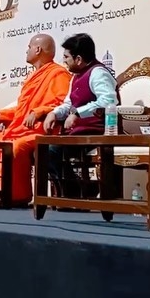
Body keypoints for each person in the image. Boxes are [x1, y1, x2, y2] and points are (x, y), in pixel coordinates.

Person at [0, 34, 71, 207]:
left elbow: (62, 104)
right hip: (21, 129)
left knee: (15, 147)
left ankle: (14, 197)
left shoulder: (58, 74)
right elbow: (22, 111)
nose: (27, 50)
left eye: (29, 47)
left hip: (42, 130)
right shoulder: (32, 77)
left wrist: (39, 112)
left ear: (38, 49)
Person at [44, 33, 119, 198]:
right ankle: (78, 190)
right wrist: (54, 113)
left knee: (51, 151)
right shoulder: (75, 77)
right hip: (77, 133)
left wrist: (79, 113)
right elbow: (68, 104)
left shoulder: (98, 73)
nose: (64, 61)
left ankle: (75, 193)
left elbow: (109, 101)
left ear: (78, 59)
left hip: (96, 132)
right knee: (42, 151)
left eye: (66, 57)